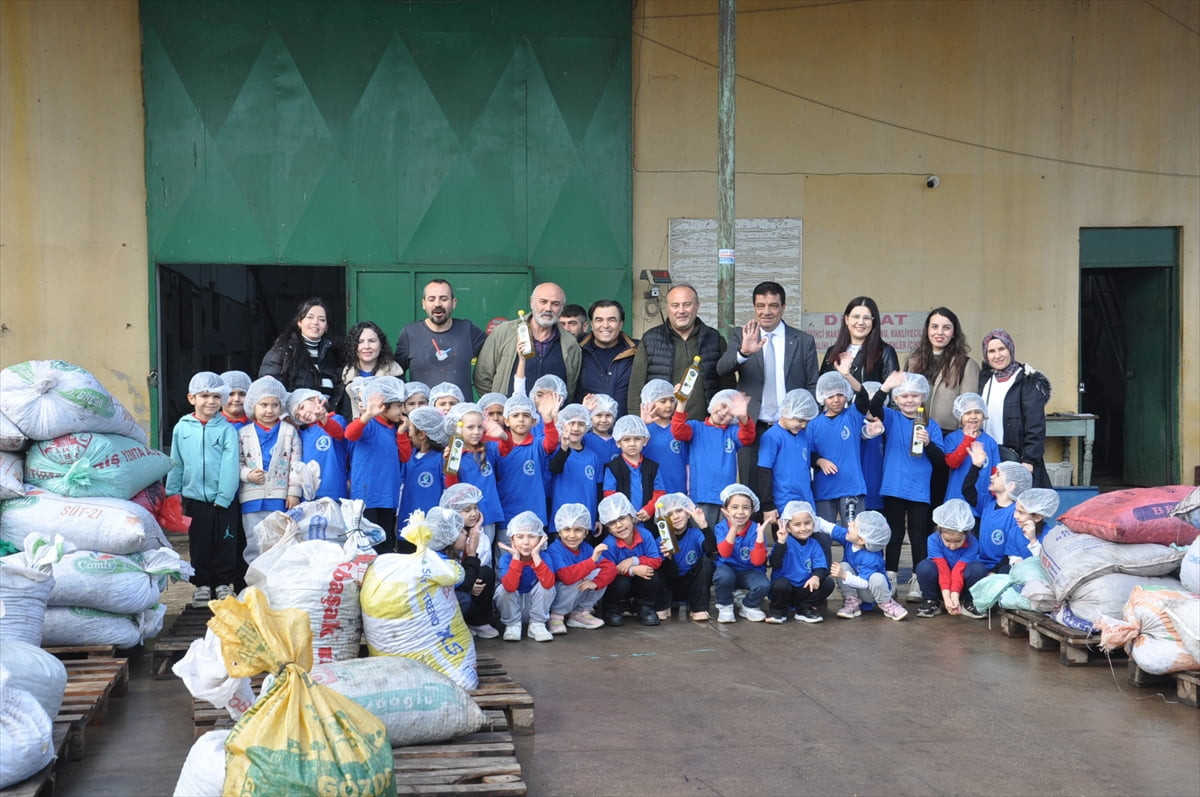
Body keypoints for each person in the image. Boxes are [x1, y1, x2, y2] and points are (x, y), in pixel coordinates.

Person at [717, 281, 820, 487]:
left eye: (773, 305)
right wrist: (743, 353)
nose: (766, 312)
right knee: (751, 491)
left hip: (790, 429)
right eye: (760, 306)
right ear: (754, 307)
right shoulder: (742, 335)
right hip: (752, 429)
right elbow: (722, 369)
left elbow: (812, 385)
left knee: (789, 488)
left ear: (783, 307)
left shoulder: (802, 341)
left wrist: (802, 420)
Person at [166, 372, 240, 606]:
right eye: (204, 396)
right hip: (195, 499)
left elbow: (231, 464)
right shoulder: (182, 428)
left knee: (225, 542)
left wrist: (224, 496)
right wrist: (172, 494)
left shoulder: (227, 429)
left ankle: (222, 584)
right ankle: (201, 585)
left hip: (224, 500)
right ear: (192, 398)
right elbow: (176, 461)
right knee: (199, 543)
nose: (211, 401)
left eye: (216, 396)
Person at [873, 371, 946, 602]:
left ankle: (918, 580)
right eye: (904, 396)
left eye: (914, 395)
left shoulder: (931, 425)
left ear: (923, 397)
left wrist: (929, 444)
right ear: (896, 399)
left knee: (918, 534)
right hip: (893, 486)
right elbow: (873, 409)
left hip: (919, 489)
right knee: (894, 534)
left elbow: (941, 461)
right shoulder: (891, 417)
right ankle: (891, 578)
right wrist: (885, 388)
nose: (909, 400)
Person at [905, 308, 980, 505]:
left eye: (946, 328)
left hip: (948, 438)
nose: (939, 332)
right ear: (927, 330)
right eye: (934, 327)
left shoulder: (965, 364)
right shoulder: (913, 361)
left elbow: (969, 410)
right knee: (918, 498)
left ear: (954, 332)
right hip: (917, 435)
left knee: (940, 495)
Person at [627, 284, 729, 421]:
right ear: (667, 308)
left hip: (706, 426)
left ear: (697, 306)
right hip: (663, 426)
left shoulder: (714, 339)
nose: (681, 311)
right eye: (675, 305)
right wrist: (638, 423)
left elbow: (727, 385)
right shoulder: (650, 340)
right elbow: (636, 388)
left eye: (687, 304)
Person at [474, 282, 581, 397]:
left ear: (561, 308)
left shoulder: (570, 344)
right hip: (509, 408)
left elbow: (571, 387)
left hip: (553, 409)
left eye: (555, 304)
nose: (548, 308)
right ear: (532, 303)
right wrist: (497, 404)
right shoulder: (504, 333)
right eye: (543, 301)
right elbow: (482, 377)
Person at [238, 376, 302, 562]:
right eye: (263, 405)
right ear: (252, 406)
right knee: (254, 541)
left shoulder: (289, 432)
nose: (269, 410)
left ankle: (277, 577)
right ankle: (256, 576)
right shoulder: (243, 433)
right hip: (252, 498)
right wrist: (247, 474)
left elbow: (296, 465)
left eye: (275, 405)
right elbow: (236, 462)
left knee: (280, 541)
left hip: (280, 498)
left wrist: (294, 493)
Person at [978, 329, 1052, 488]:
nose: (997, 355)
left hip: (1017, 459)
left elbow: (1035, 426)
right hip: (989, 457)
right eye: (991, 351)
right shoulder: (985, 379)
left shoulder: (1026, 380)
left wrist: (1029, 460)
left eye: (1001, 349)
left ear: (1010, 350)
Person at [671, 388, 755, 529]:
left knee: (723, 537)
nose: (724, 413)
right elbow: (678, 431)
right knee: (703, 537)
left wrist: (743, 418)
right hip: (701, 496)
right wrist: (682, 403)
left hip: (726, 500)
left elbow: (747, 437)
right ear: (714, 402)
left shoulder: (732, 432)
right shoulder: (696, 427)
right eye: (723, 405)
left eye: (730, 414)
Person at [344, 376, 409, 554]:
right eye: (398, 406)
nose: (402, 410)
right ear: (383, 406)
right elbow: (350, 434)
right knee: (367, 545)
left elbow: (405, 457)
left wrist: (402, 433)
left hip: (388, 496)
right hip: (367, 497)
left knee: (385, 544)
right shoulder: (369, 424)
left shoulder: (394, 429)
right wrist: (367, 415)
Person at [394, 279, 487, 399]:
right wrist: (408, 398)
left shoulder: (467, 330)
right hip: (423, 410)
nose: (437, 304)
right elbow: (395, 373)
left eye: (443, 299)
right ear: (423, 304)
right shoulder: (409, 333)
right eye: (431, 299)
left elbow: (495, 359)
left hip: (460, 410)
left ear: (453, 303)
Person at [442, 403, 503, 566]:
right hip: (465, 517)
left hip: (488, 514)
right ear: (458, 428)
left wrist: (502, 435)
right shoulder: (455, 454)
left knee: (486, 557)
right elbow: (452, 488)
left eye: (480, 427)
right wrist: (450, 467)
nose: (476, 432)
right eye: (470, 427)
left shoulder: (488, 449)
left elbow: (506, 449)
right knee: (465, 557)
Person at [809, 372, 874, 526]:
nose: (836, 400)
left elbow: (863, 397)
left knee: (853, 532)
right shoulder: (813, 424)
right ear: (822, 397)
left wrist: (847, 375)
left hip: (851, 487)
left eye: (840, 394)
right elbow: (808, 454)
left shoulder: (852, 416)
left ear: (847, 394)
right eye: (830, 396)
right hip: (824, 489)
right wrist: (820, 461)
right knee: (823, 534)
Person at [427, 505, 498, 639]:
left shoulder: (440, 553)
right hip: (432, 610)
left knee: (485, 573)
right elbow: (463, 581)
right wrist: (471, 554)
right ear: (449, 537)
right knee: (464, 599)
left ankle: (477, 623)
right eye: (460, 531)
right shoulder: (440, 560)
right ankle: (448, 628)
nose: (465, 533)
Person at [596, 493, 666, 627]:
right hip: (619, 585)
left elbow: (656, 560)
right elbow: (607, 571)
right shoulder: (609, 544)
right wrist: (632, 570)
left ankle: (645, 607)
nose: (619, 525)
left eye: (622, 518)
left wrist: (634, 560)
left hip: (638, 583)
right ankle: (611, 609)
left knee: (651, 574)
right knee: (620, 582)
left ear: (632, 517)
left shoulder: (645, 535)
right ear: (608, 528)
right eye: (612, 523)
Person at [259, 297, 343, 408]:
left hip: (326, 417)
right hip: (293, 417)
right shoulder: (283, 351)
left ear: (326, 327)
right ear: (299, 322)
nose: (315, 322)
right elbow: (268, 388)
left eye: (322, 320)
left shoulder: (333, 354)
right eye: (310, 317)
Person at [542, 503, 614, 633]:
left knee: (599, 573)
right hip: (557, 599)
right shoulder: (555, 549)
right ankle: (556, 616)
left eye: (578, 530)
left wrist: (596, 583)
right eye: (567, 529)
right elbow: (566, 577)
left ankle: (580, 613)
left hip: (575, 596)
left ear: (586, 532)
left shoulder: (586, 548)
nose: (572, 535)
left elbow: (610, 567)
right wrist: (592, 561)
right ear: (559, 531)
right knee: (576, 577)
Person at [757, 389, 820, 528]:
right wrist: (768, 505)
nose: (803, 425)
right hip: (783, 503)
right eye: (800, 420)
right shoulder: (772, 437)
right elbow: (764, 472)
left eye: (806, 421)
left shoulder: (804, 436)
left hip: (805, 501)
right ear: (786, 411)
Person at [829, 510, 907, 620]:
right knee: (843, 566)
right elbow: (830, 528)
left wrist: (844, 575)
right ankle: (852, 603)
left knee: (877, 578)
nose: (849, 523)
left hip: (870, 593)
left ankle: (887, 603)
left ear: (861, 539)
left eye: (854, 525)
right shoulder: (850, 538)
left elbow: (864, 583)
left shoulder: (872, 558)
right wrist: (813, 520)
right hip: (856, 588)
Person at [914, 499, 985, 619]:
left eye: (958, 541)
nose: (952, 546)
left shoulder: (972, 542)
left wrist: (955, 597)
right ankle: (932, 600)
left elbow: (959, 570)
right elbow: (942, 569)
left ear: (966, 533)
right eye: (947, 541)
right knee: (924, 567)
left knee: (978, 568)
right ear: (939, 530)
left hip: (962, 586)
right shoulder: (933, 539)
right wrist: (947, 598)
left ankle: (968, 601)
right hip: (940, 585)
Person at [766, 501, 835, 624]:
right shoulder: (784, 542)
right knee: (781, 584)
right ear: (788, 527)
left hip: (804, 588)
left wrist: (816, 577)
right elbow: (775, 563)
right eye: (797, 524)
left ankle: (804, 608)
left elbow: (821, 566)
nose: (803, 528)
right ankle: (777, 610)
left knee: (828, 583)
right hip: (785, 590)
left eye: (807, 523)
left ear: (813, 523)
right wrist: (781, 543)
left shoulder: (814, 544)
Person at [711, 484, 770, 623]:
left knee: (764, 585)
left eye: (746, 508)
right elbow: (725, 553)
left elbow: (757, 561)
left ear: (752, 510)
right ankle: (725, 606)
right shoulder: (721, 527)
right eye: (734, 507)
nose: (740, 512)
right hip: (728, 569)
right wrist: (734, 528)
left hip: (750, 571)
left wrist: (759, 537)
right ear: (725, 510)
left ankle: (748, 605)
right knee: (722, 576)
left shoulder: (756, 529)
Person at [494, 511, 556, 642]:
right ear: (512, 540)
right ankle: (512, 626)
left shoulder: (544, 557)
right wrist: (516, 558)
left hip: (535, 608)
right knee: (502, 588)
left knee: (546, 585)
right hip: (513, 608)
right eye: (520, 537)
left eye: (532, 536)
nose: (526, 542)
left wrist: (536, 555)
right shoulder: (507, 559)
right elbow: (510, 587)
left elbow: (548, 584)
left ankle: (537, 625)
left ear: (540, 539)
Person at [654, 492, 716, 621]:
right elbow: (670, 574)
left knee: (707, 560)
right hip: (670, 587)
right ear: (662, 520)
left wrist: (704, 525)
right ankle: (663, 605)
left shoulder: (696, 534)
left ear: (688, 514)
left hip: (692, 586)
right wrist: (669, 558)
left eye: (679, 511)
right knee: (655, 565)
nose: (676, 516)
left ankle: (698, 607)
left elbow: (710, 549)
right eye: (669, 514)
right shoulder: (661, 540)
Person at [963, 460, 1031, 574]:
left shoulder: (1016, 514)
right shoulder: (987, 503)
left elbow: (1012, 548)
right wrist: (976, 466)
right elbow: (967, 489)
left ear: (1011, 485)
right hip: (982, 563)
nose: (992, 477)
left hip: (1005, 564)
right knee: (973, 570)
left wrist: (994, 571)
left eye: (997, 475)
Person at [941, 393, 1001, 518]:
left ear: (984, 415)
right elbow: (952, 463)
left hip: (981, 500)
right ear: (960, 416)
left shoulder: (991, 442)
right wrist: (968, 440)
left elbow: (995, 470)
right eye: (968, 413)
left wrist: (996, 497)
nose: (973, 416)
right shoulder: (952, 438)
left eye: (977, 412)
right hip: (957, 498)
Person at [818, 296, 899, 388]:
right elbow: (822, 388)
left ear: (873, 322)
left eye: (866, 318)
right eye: (856, 317)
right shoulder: (832, 351)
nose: (861, 322)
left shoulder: (885, 352)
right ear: (846, 319)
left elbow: (893, 391)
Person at [575, 299, 638, 416]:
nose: (605, 325)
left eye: (611, 320)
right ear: (592, 324)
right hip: (586, 425)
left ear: (621, 324)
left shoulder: (637, 351)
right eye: (599, 320)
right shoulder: (577, 351)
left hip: (625, 425)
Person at [287, 388, 348, 501]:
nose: (302, 414)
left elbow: (338, 433)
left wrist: (323, 418)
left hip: (334, 492)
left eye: (302, 407)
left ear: (315, 399)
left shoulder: (336, 419)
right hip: (309, 497)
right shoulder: (302, 435)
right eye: (297, 416)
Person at [546, 404, 602, 526]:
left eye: (581, 424)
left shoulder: (593, 457)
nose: (576, 428)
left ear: (587, 426)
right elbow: (554, 468)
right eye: (571, 423)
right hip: (561, 521)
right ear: (562, 424)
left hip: (587, 520)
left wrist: (597, 518)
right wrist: (564, 448)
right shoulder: (556, 451)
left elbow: (598, 489)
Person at [602, 415, 665, 521]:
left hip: (648, 520)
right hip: (622, 521)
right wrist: (627, 513)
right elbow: (609, 495)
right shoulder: (612, 468)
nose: (632, 444)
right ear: (618, 442)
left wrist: (649, 509)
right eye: (626, 440)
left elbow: (660, 492)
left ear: (645, 440)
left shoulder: (653, 467)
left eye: (637, 439)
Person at [339, 321, 404, 418]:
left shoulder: (395, 374)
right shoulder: (344, 376)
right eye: (360, 342)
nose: (366, 346)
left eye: (372, 341)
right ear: (353, 346)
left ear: (381, 345)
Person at [399, 407, 448, 524]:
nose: (409, 434)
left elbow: (447, 491)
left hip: (432, 524)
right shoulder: (409, 457)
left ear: (421, 434)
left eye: (410, 429)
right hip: (407, 523)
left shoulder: (441, 459)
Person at [639, 379, 688, 495]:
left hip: (678, 490)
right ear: (650, 402)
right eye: (663, 401)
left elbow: (687, 462)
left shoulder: (680, 429)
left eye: (672, 400)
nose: (669, 405)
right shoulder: (644, 430)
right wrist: (642, 425)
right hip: (652, 492)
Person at [1009, 488, 1060, 561]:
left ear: (1038, 517)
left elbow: (1045, 561)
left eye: (1021, 512)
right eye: (1016, 510)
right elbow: (1013, 556)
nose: (1015, 516)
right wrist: (1017, 562)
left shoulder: (1049, 536)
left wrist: (1033, 540)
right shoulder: (1014, 532)